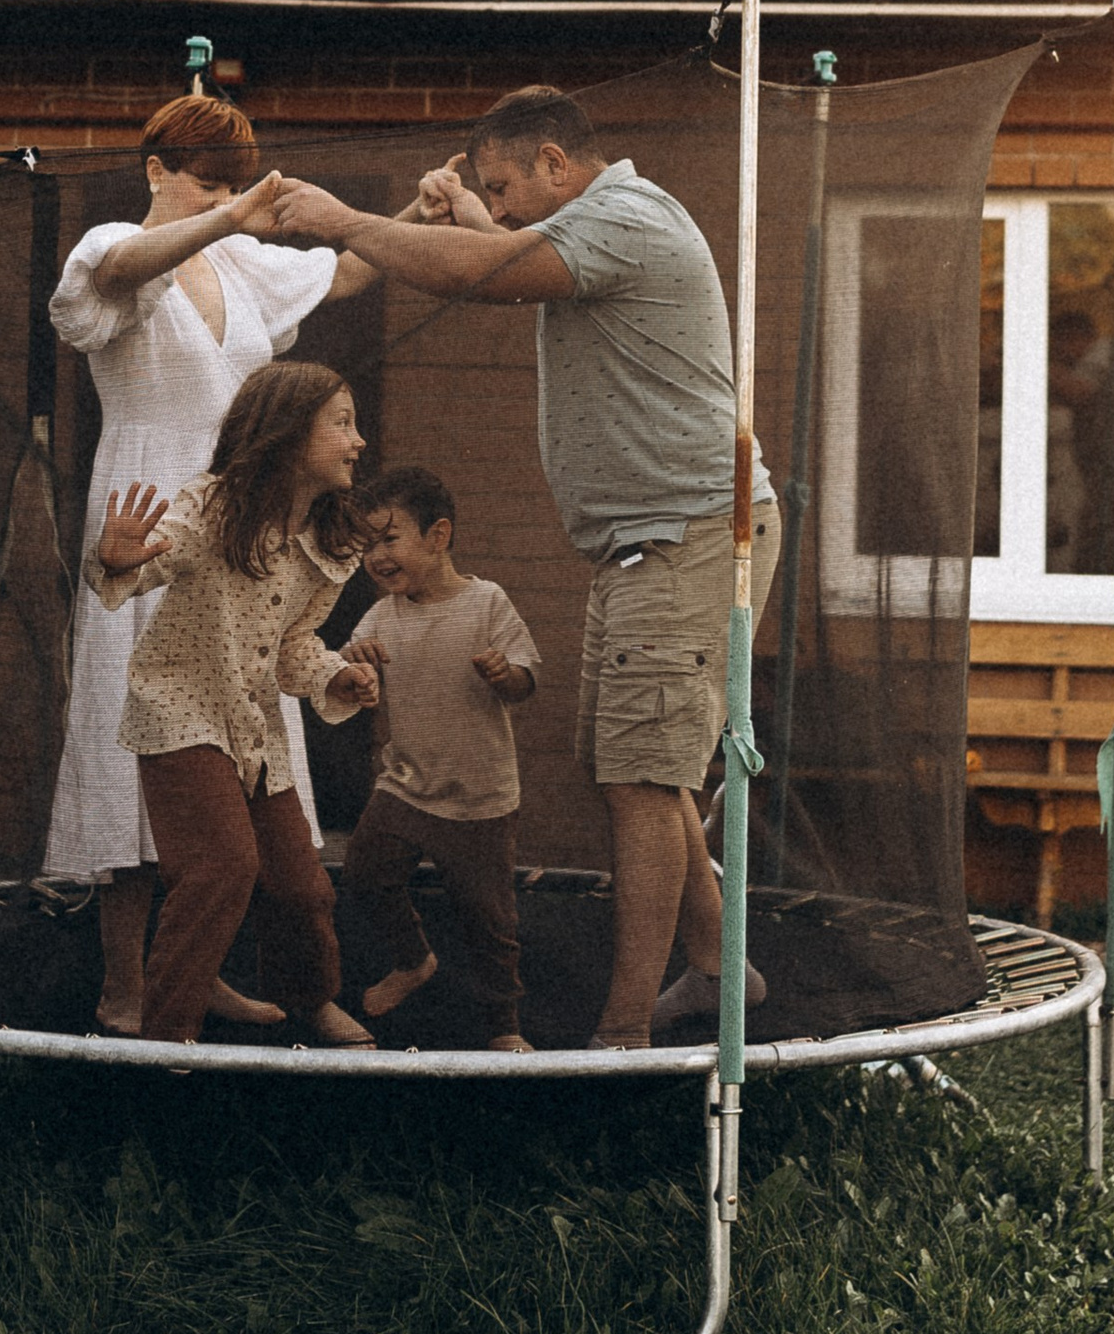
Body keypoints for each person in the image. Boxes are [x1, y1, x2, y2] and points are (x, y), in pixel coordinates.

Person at [268, 86, 779, 1051]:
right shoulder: (598, 226)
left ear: (556, 162)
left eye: (502, 187)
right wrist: (463, 221)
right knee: (648, 774)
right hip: (653, 541)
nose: (495, 208)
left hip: (684, 535)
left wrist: (348, 221)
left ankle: (623, 1031)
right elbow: (499, 257)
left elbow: (486, 276)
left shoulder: (626, 218)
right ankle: (721, 972)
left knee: (640, 778)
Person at [45, 89, 369, 1036]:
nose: (223, 198)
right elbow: (105, 282)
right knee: (132, 741)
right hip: (146, 511)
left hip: (240, 527)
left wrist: (408, 224)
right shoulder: (118, 245)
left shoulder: (238, 259)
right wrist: (226, 213)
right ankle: (124, 985)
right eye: (205, 179)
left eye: (233, 181)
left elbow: (337, 273)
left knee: (241, 742)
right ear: (156, 170)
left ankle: (202, 963)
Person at [90, 358, 382, 1045]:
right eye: (341, 423)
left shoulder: (326, 540)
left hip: (252, 726)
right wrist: (119, 558)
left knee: (301, 885)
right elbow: (149, 564)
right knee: (222, 865)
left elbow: (294, 644)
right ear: (287, 431)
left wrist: (334, 676)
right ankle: (169, 1036)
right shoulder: (214, 508)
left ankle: (308, 999)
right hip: (179, 710)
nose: (358, 440)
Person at [338, 465, 539, 1051]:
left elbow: (526, 681)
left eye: (388, 539)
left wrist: (507, 675)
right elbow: (347, 673)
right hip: (404, 784)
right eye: (367, 546)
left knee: (490, 920)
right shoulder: (380, 615)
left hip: (479, 794)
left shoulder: (486, 603)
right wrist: (355, 665)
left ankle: (504, 1027)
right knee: (366, 876)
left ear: (438, 535)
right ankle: (414, 960)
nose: (376, 557)